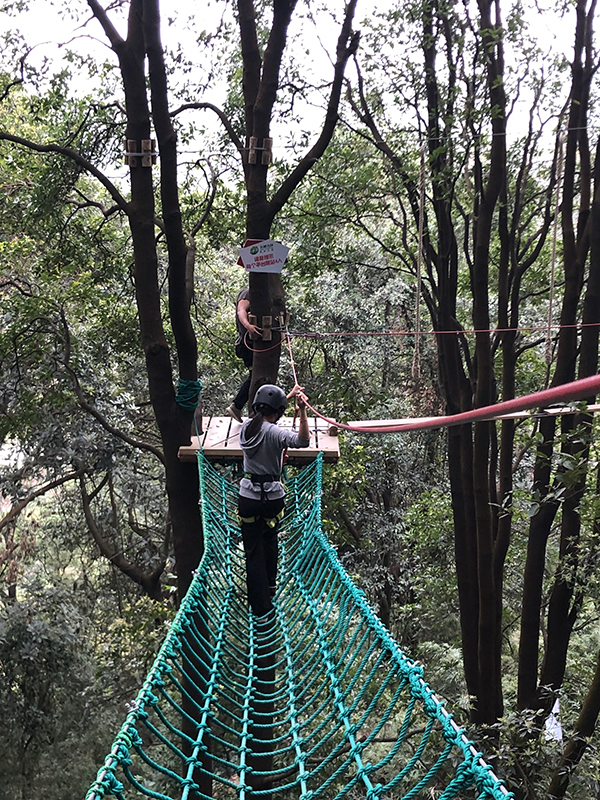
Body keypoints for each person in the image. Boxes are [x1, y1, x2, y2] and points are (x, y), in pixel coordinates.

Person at [238, 383, 310, 620]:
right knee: (270, 540)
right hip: (272, 499)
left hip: (248, 497)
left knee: (253, 550)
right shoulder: (275, 433)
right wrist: (303, 411)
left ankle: (259, 606)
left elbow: (265, 423)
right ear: (278, 411)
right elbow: (302, 442)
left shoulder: (246, 428)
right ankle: (270, 588)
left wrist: (287, 398)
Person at [226, 287, 261, 422]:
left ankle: (241, 406)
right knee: (256, 377)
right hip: (247, 344)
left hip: (253, 344)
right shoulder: (248, 293)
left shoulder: (262, 296)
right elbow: (241, 311)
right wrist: (249, 326)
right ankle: (237, 405)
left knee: (255, 376)